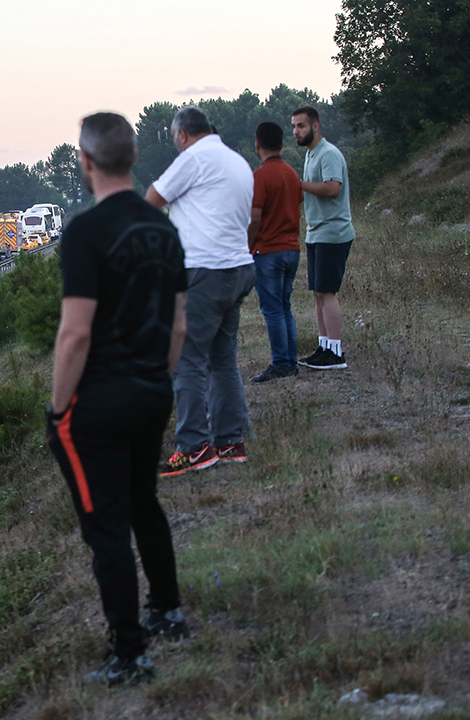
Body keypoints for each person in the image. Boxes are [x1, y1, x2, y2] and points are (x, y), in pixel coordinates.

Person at [47, 112, 188, 687]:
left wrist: (58, 410)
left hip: (98, 402)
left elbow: (75, 333)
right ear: (132, 158)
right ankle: (169, 611)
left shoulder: (84, 232)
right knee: (143, 504)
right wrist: (155, 377)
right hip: (154, 389)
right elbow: (179, 325)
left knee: (106, 528)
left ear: (86, 162)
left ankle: (129, 654)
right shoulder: (165, 230)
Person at [145, 105, 255, 475]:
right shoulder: (237, 161)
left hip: (203, 271)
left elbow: (153, 198)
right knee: (223, 359)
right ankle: (230, 441)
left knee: (186, 359)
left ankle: (194, 448)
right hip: (238, 268)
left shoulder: (194, 158)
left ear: (181, 135)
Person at [293, 105, 355, 370]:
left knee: (327, 292)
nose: (296, 131)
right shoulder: (310, 155)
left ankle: (336, 353)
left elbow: (332, 188)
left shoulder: (328, 154)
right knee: (318, 292)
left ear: (315, 126)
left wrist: (297, 184)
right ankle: (324, 346)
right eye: (294, 126)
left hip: (333, 232)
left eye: (301, 126)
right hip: (316, 232)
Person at [248, 121, 303, 383]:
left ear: (257, 145)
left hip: (269, 251)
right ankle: (291, 361)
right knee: (284, 306)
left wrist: (249, 246)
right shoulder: (292, 174)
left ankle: (281, 363)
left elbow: (255, 218)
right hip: (292, 249)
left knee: (271, 310)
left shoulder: (260, 176)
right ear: (282, 144)